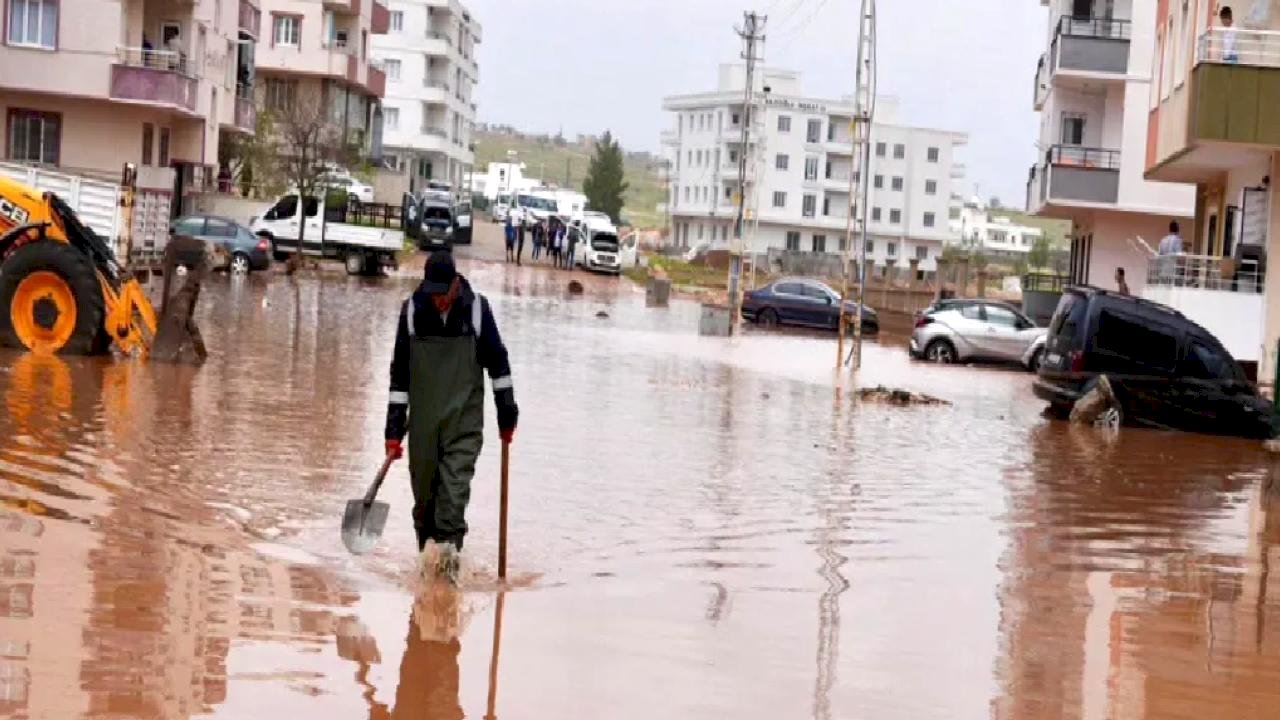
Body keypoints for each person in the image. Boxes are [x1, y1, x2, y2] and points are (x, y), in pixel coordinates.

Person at [384, 251, 519, 578]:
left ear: (456, 284)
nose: (440, 301)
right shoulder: (413, 312)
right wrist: (392, 430)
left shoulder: (476, 311)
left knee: (451, 505)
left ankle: (447, 587)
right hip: (423, 428)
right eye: (434, 293)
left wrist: (507, 413)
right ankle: (426, 583)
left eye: (444, 293)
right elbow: (400, 376)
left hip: (463, 425)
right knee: (425, 509)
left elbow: (498, 365)